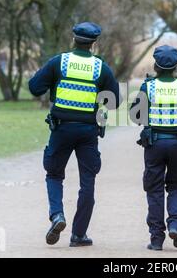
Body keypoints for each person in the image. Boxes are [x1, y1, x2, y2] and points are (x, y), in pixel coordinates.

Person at [28, 22, 121, 247]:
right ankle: (79, 235)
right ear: (94, 44)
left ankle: (57, 215)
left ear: (73, 39)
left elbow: (34, 87)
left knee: (54, 174)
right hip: (88, 131)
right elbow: (115, 102)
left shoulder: (59, 62)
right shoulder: (101, 68)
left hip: (61, 128)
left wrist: (51, 79)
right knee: (87, 181)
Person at [130, 45, 177, 251]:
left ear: (155, 66)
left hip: (154, 144)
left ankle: (156, 238)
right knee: (175, 186)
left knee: (154, 189)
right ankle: (175, 225)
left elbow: (135, 116)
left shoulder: (148, 87)